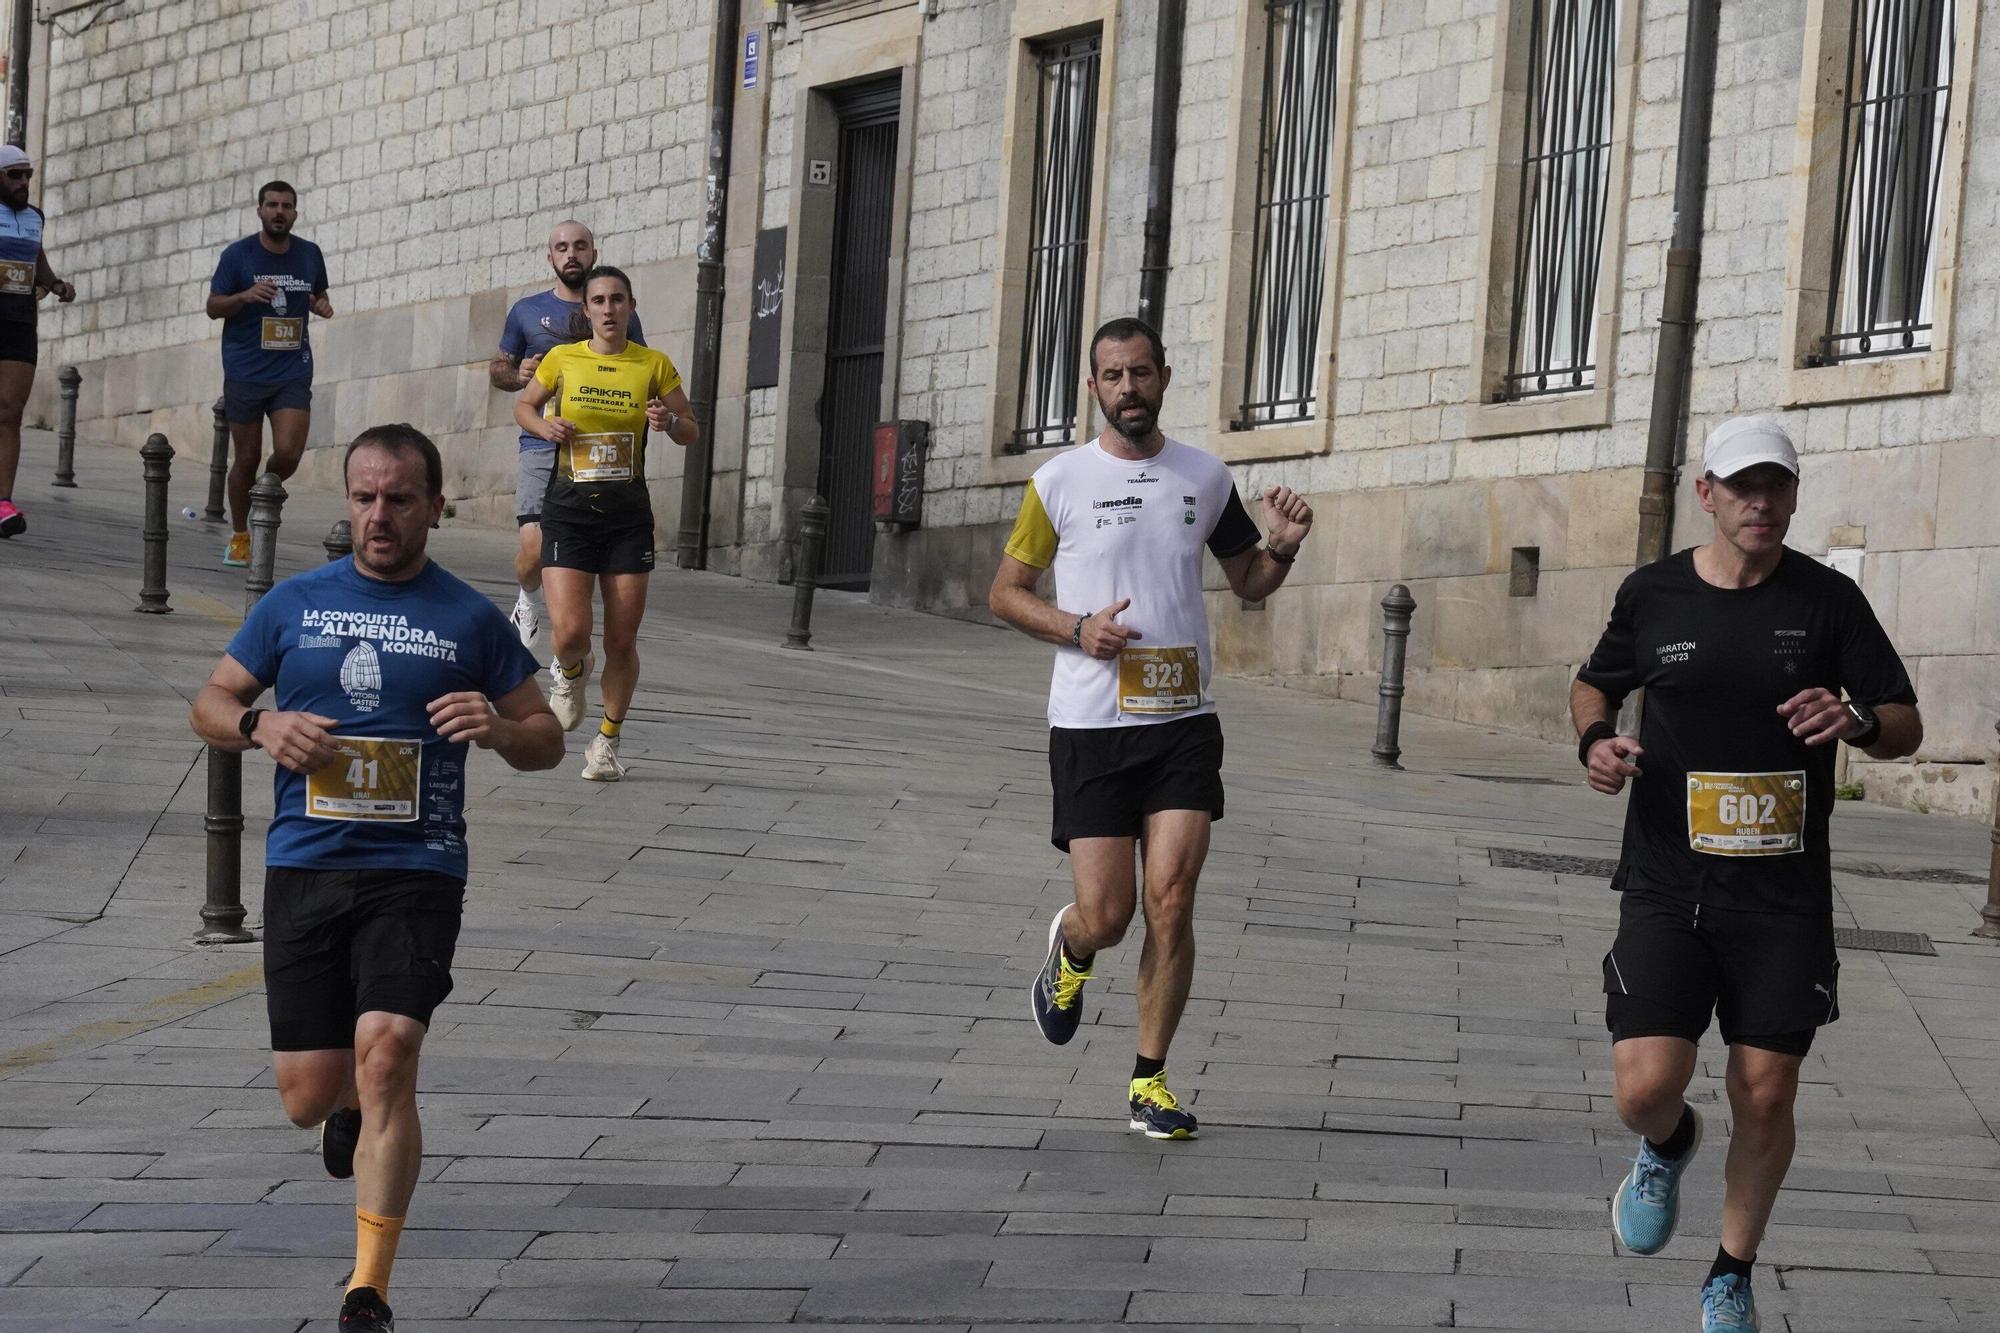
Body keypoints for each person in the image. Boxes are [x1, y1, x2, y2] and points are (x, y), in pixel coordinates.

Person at [188, 424, 563, 1333]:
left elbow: (547, 737)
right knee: (307, 1094)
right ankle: (343, 1101)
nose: (379, 515)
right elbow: (209, 702)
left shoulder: (468, 618)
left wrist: (504, 728)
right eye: (364, 496)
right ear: (346, 500)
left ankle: (369, 1289)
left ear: (435, 506)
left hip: (417, 866)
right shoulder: (294, 604)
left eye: (400, 498)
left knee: (391, 1049)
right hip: (306, 867)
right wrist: (260, 728)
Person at [1572, 416, 1922, 1333]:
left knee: (1765, 1087)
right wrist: (1594, 743)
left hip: (1783, 895)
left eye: (1777, 487)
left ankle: (1730, 1271)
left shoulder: (1829, 601)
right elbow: (1594, 683)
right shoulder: (1653, 594)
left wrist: (1856, 719)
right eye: (1742, 488)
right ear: (1707, 495)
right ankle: (1669, 1142)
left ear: (1795, 496)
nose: (1761, 503)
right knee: (1642, 1085)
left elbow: (1903, 718)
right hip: (1667, 880)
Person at [988, 315, 1314, 1141]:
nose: (1127, 388)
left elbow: (1248, 580)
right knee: (1111, 913)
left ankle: (1150, 1079)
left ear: (1164, 377)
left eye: (1140, 373)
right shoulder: (1058, 481)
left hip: (1182, 722)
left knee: (1171, 899)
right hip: (1091, 723)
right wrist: (1076, 629)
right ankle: (1070, 948)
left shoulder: (1204, 477)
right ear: (1092, 387)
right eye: (1112, 376)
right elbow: (1004, 592)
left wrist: (1281, 549)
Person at [513, 265, 695, 781]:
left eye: (618, 300)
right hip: (568, 511)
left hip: (627, 518)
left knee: (621, 638)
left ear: (631, 307)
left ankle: (608, 741)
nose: (609, 309)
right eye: (599, 300)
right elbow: (524, 408)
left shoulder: (653, 364)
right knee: (570, 632)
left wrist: (669, 423)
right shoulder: (562, 359)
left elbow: (690, 430)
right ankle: (570, 672)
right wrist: (545, 425)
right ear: (586, 310)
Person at [489, 220, 648, 647]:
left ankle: (569, 645)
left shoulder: (615, 312)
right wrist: (518, 373)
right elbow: (498, 370)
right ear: (550, 258)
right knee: (532, 552)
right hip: (543, 444)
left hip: (599, 452)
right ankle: (527, 597)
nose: (571, 254)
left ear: (593, 254)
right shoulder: (526, 311)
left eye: (580, 246)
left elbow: (641, 368)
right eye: (561, 247)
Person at [206, 180, 332, 566]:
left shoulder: (309, 254)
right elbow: (213, 306)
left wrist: (321, 305)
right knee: (246, 458)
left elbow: (319, 294)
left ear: (295, 213)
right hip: (245, 371)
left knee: (289, 453)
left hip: (292, 370)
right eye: (272, 205)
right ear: (260, 210)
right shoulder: (238, 256)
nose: (280, 212)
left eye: (287, 206)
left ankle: (265, 487)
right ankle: (241, 535)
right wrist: (244, 297)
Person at [0, 143, 75, 539]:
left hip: (18, 322)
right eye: (14, 175)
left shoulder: (34, 218)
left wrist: (55, 284)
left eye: (27, 174)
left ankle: (2, 503)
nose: (23, 182)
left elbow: (36, 260)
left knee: (10, 411)